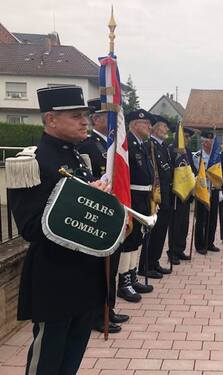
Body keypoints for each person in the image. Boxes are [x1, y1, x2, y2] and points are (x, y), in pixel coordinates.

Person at [7, 85, 109, 374]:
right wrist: (81, 202)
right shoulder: (31, 162)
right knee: (48, 358)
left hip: (85, 273)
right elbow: (30, 227)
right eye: (76, 116)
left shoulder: (79, 158)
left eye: (85, 116)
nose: (84, 122)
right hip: (54, 275)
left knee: (73, 353)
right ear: (51, 120)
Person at [77, 98, 129, 334]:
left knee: (113, 263)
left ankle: (109, 308)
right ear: (96, 119)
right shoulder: (88, 145)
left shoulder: (112, 145)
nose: (112, 123)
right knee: (101, 267)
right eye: (108, 118)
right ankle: (99, 315)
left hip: (113, 210)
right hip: (98, 212)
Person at [117, 109, 156, 303]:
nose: (149, 126)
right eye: (145, 123)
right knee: (129, 239)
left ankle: (132, 277)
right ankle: (124, 283)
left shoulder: (142, 145)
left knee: (137, 239)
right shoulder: (127, 145)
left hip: (143, 197)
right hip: (131, 197)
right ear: (133, 124)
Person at [142, 115, 173, 275]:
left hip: (165, 194)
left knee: (161, 231)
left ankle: (154, 261)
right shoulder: (150, 145)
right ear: (154, 128)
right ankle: (145, 265)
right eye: (164, 126)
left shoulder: (163, 146)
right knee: (153, 231)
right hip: (155, 195)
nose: (166, 129)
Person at [167, 126, 196, 264]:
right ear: (177, 136)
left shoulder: (187, 152)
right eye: (184, 136)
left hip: (186, 193)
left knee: (184, 224)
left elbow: (192, 169)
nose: (187, 139)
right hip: (175, 194)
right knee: (175, 224)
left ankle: (180, 249)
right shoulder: (171, 150)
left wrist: (196, 177)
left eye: (189, 137)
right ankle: (172, 252)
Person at [193, 130, 222, 254]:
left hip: (214, 190)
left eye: (212, 142)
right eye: (208, 142)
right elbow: (196, 174)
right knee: (201, 219)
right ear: (203, 143)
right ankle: (200, 245)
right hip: (203, 191)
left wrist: (220, 189)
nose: (210, 144)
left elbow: (220, 174)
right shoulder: (197, 157)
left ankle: (210, 243)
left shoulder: (216, 156)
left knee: (213, 218)